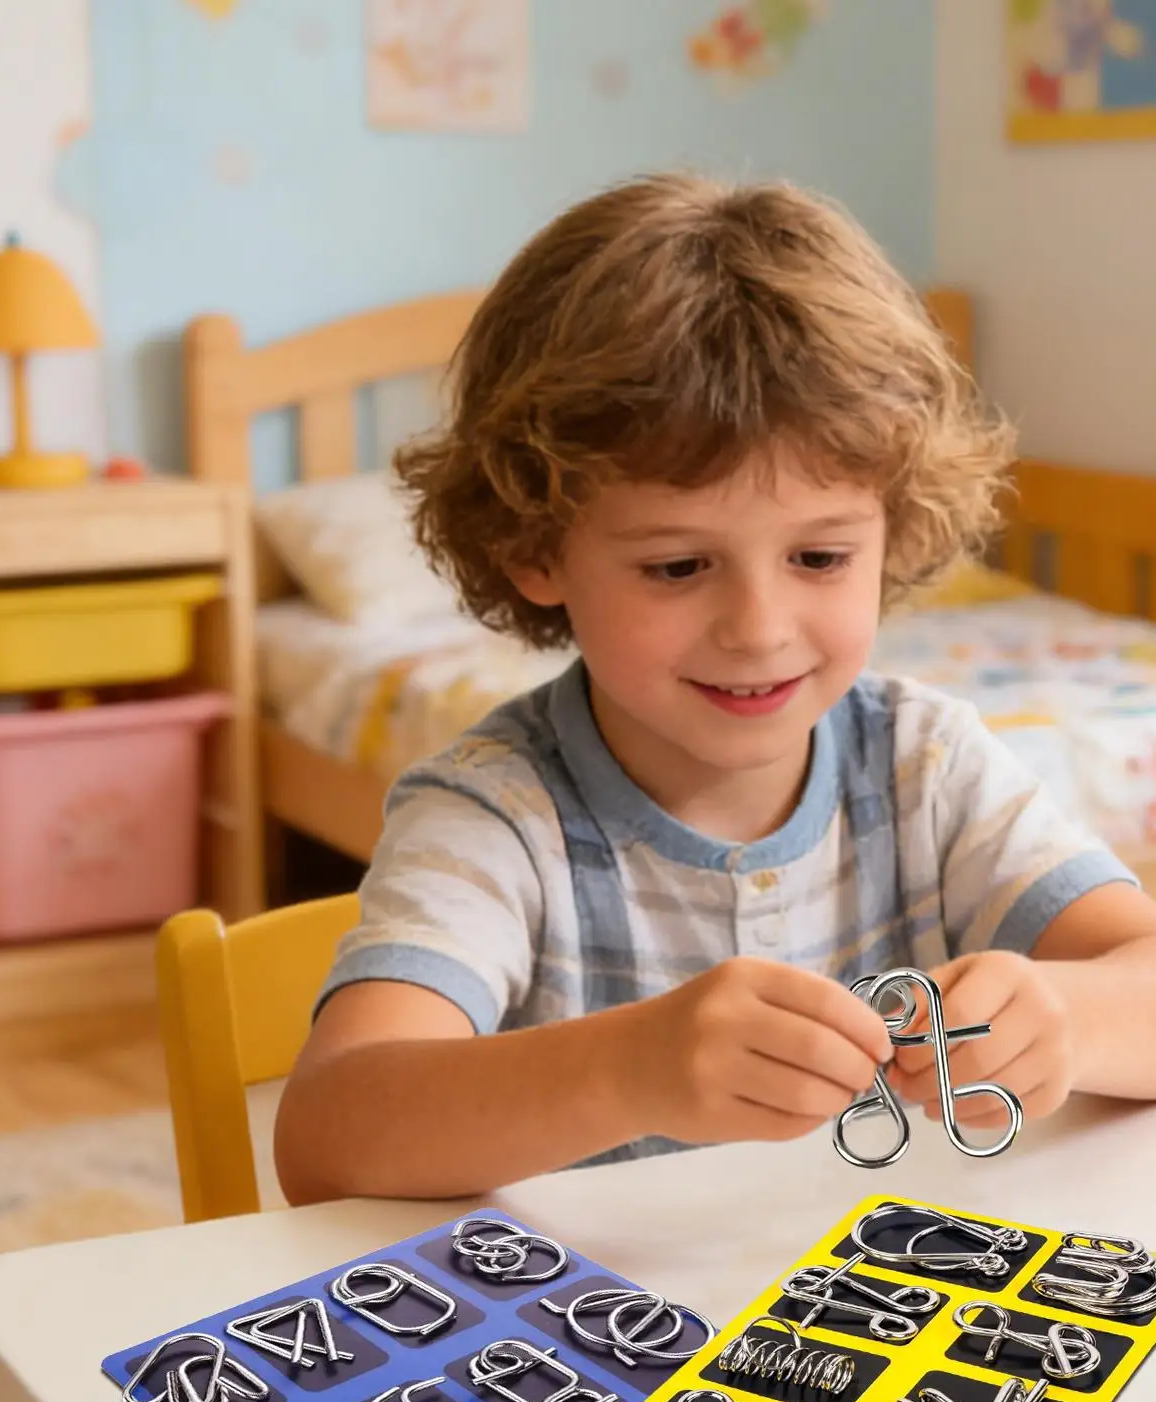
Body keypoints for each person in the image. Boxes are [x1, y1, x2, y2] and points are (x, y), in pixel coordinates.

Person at [273, 171, 1156, 1205]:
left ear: (892, 530)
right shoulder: (495, 815)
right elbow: (329, 1134)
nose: (758, 628)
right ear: (532, 549)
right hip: (591, 1340)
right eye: (677, 566)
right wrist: (631, 1067)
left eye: (819, 557)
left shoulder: (926, 763)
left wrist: (1063, 1016)